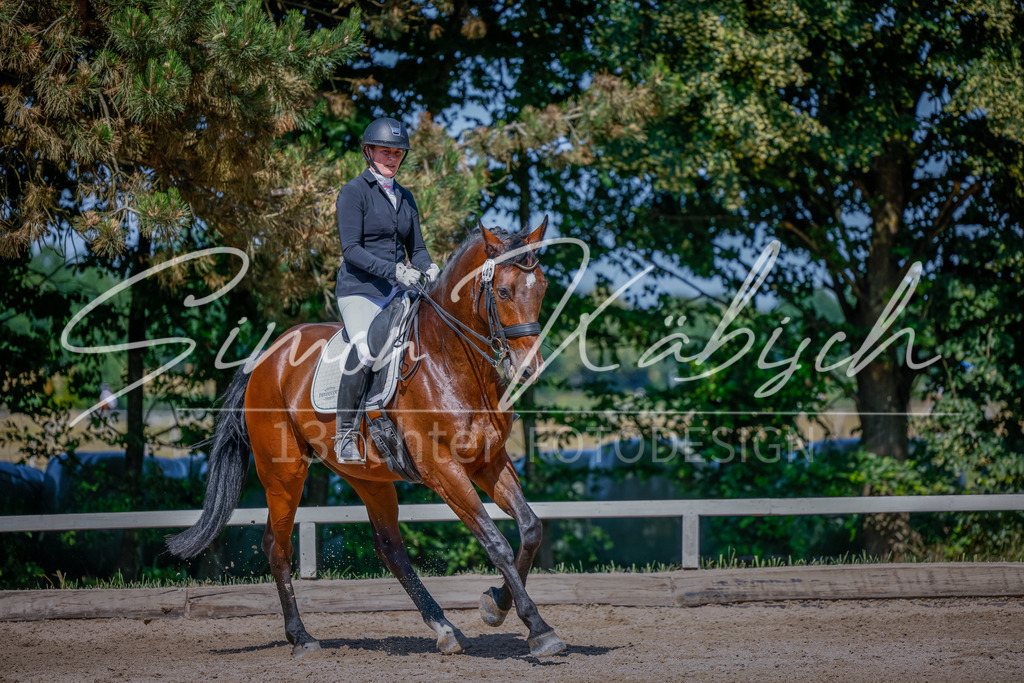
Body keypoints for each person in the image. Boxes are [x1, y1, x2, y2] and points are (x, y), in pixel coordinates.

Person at [333, 117, 439, 463]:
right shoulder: (353, 192)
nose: (391, 158)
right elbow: (351, 250)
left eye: (396, 153)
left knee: (435, 337)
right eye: (385, 151)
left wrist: (428, 267)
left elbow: (417, 249)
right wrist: (395, 271)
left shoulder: (405, 197)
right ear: (369, 152)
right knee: (366, 350)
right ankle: (345, 433)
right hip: (360, 290)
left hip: (397, 291)